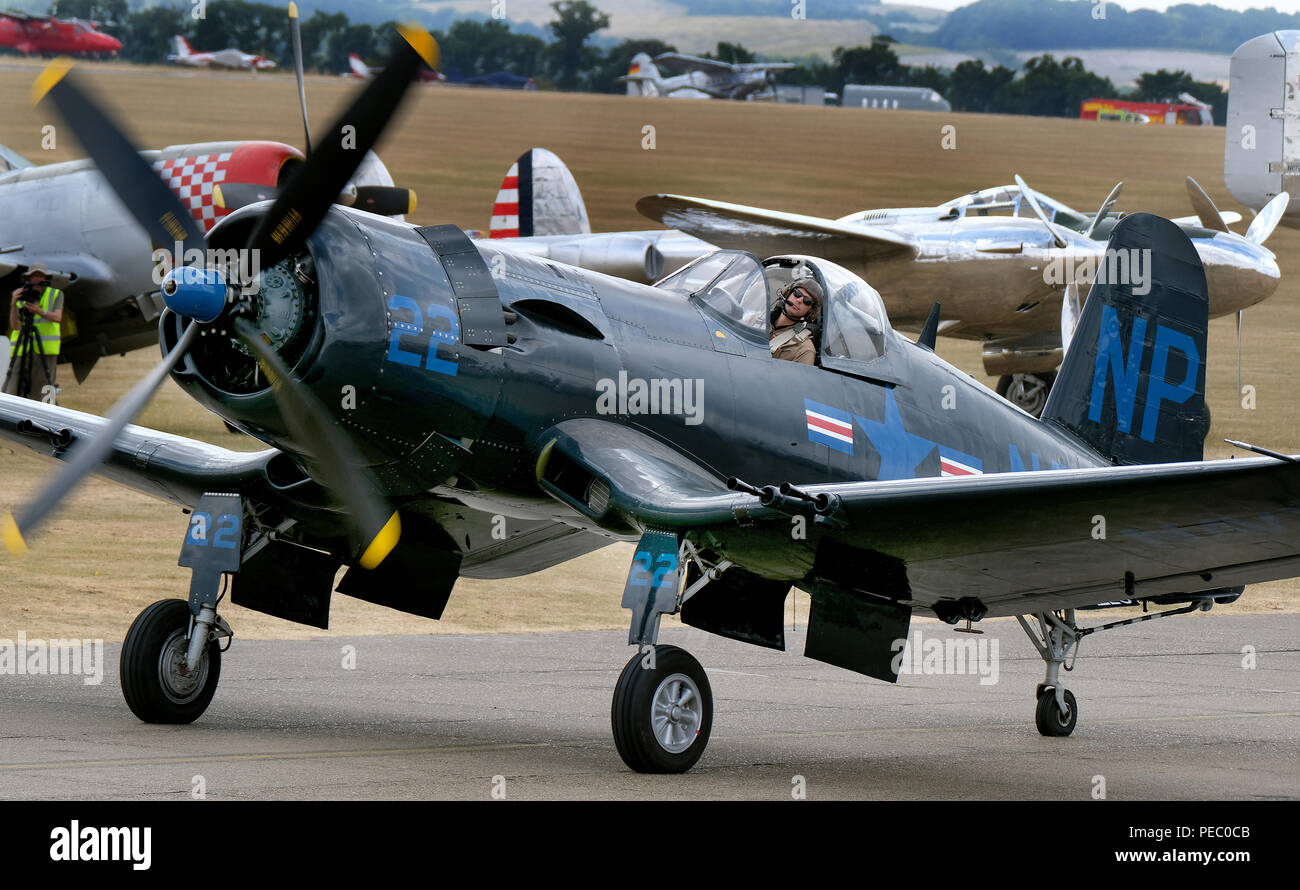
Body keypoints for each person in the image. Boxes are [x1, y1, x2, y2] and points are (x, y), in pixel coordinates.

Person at [4, 263, 64, 401]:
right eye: (34, 276)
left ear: (45, 278)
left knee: (43, 390)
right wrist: (13, 304)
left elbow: (57, 317)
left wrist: (39, 311)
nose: (37, 279)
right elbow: (14, 326)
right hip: (22, 349)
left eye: (40, 276)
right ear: (28, 278)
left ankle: (44, 414)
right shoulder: (21, 296)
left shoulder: (56, 294)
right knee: (12, 387)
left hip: (45, 350)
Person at [768, 277, 822, 365]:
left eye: (807, 301)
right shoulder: (756, 319)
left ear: (811, 311)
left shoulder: (804, 350)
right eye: (797, 293)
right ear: (788, 293)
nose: (799, 300)